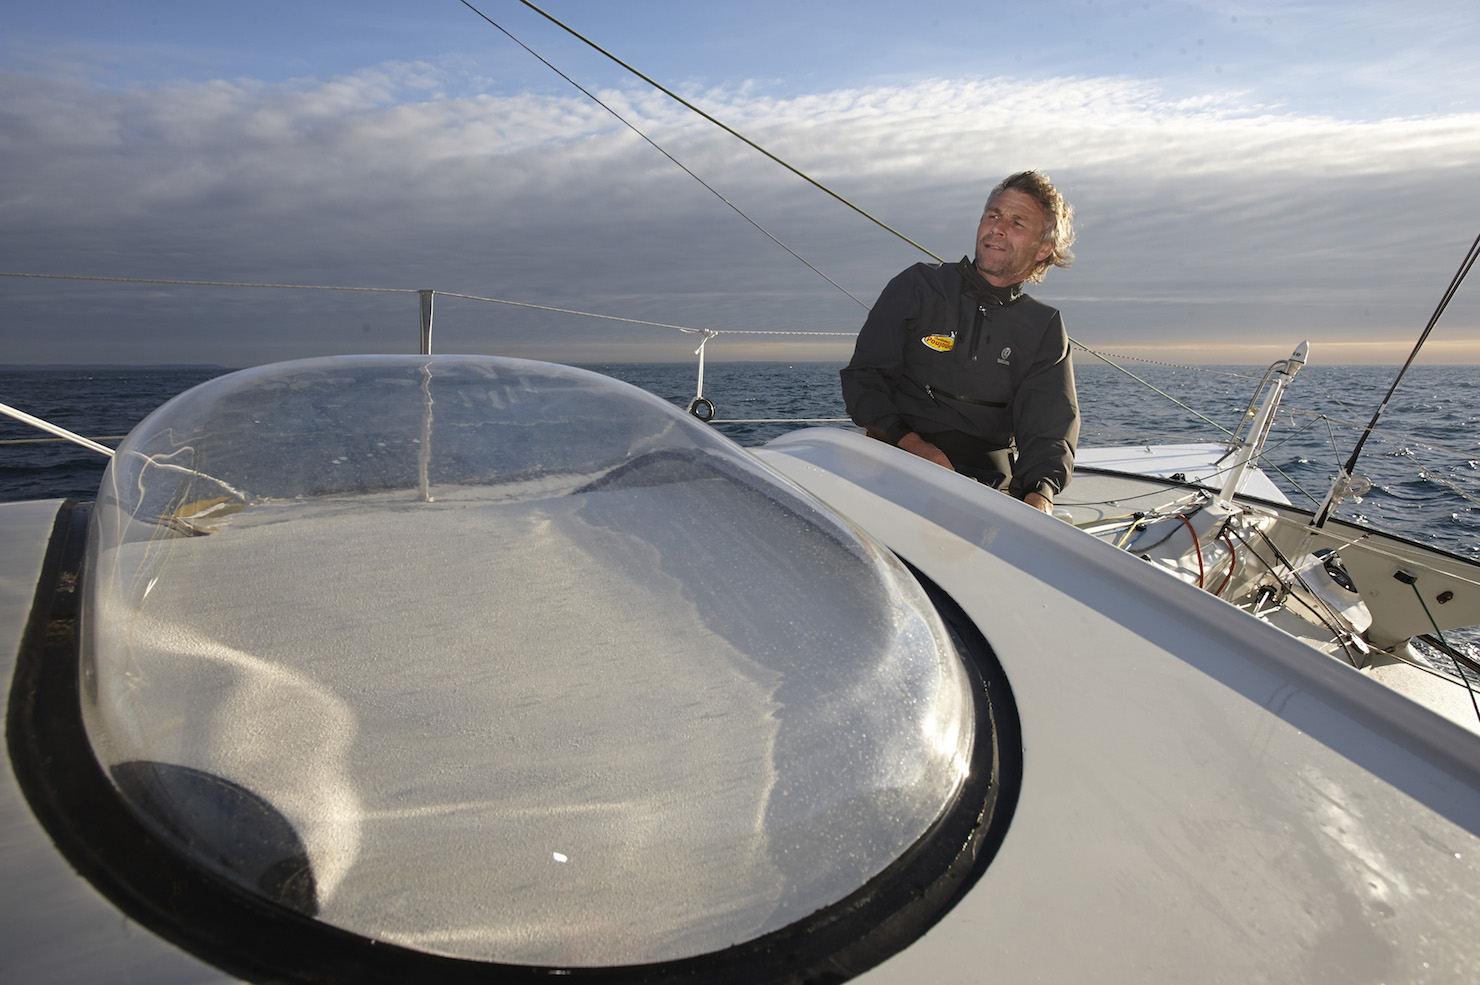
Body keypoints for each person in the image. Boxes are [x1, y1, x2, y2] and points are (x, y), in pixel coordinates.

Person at [839, 170, 1079, 513]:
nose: (997, 227)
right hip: (895, 460)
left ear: (1043, 249)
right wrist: (916, 446)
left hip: (984, 485)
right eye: (993, 215)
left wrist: (1039, 495)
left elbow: (1049, 429)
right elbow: (865, 378)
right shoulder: (919, 286)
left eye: (1017, 222)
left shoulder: (1043, 327)